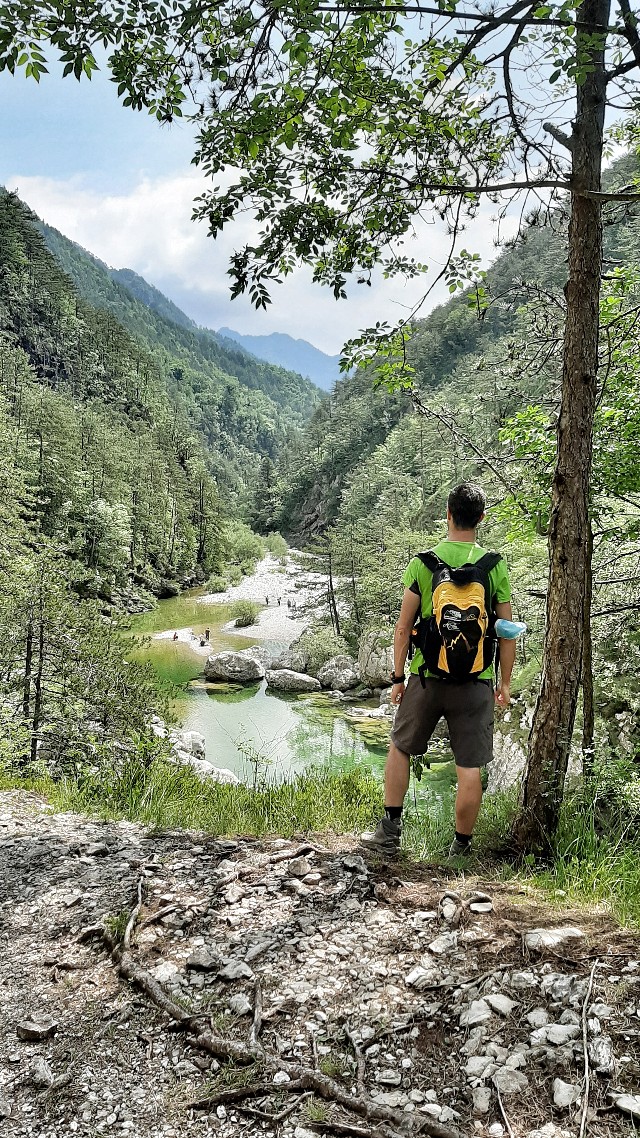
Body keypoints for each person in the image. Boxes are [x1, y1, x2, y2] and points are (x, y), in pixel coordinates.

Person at [361, 482, 516, 859]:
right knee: (469, 766)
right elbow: (507, 631)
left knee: (399, 748)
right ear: (481, 518)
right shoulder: (494, 566)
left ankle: (389, 832)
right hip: (476, 681)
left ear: (447, 514)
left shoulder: (423, 563)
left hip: (426, 677)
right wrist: (505, 683)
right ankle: (460, 849)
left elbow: (403, 626)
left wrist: (398, 677)